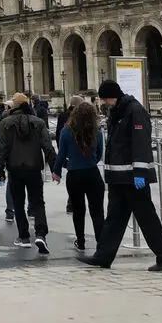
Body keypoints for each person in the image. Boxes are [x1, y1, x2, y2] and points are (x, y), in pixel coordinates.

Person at [80, 80, 162, 271]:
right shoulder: (117, 111)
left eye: (104, 99)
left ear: (111, 96)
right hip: (119, 177)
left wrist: (140, 172)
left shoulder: (135, 111)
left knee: (146, 218)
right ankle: (103, 256)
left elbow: (140, 143)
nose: (103, 103)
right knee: (114, 218)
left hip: (132, 177)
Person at [0, 93, 56, 252]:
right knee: (38, 202)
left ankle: (24, 236)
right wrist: (55, 167)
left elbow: (1, 149)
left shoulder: (5, 123)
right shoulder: (39, 123)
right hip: (34, 167)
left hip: (15, 168)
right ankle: (41, 234)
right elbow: (48, 147)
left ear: (14, 106)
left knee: (18, 203)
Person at [52, 102, 105, 252]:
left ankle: (80, 241)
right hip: (92, 173)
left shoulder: (66, 131)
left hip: (74, 174)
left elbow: (61, 155)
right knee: (97, 211)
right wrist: (89, 161)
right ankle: (101, 242)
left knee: (78, 210)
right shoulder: (97, 132)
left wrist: (57, 172)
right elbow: (99, 154)